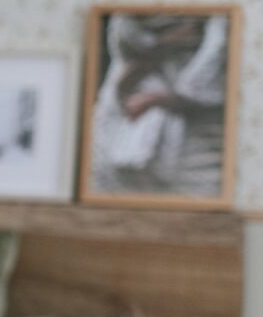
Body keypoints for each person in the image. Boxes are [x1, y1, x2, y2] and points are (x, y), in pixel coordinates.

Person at [88, 13, 229, 197]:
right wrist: (164, 44)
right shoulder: (126, 25)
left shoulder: (218, 28)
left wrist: (158, 99)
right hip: (118, 132)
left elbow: (214, 60)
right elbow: (123, 78)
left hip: (197, 140)